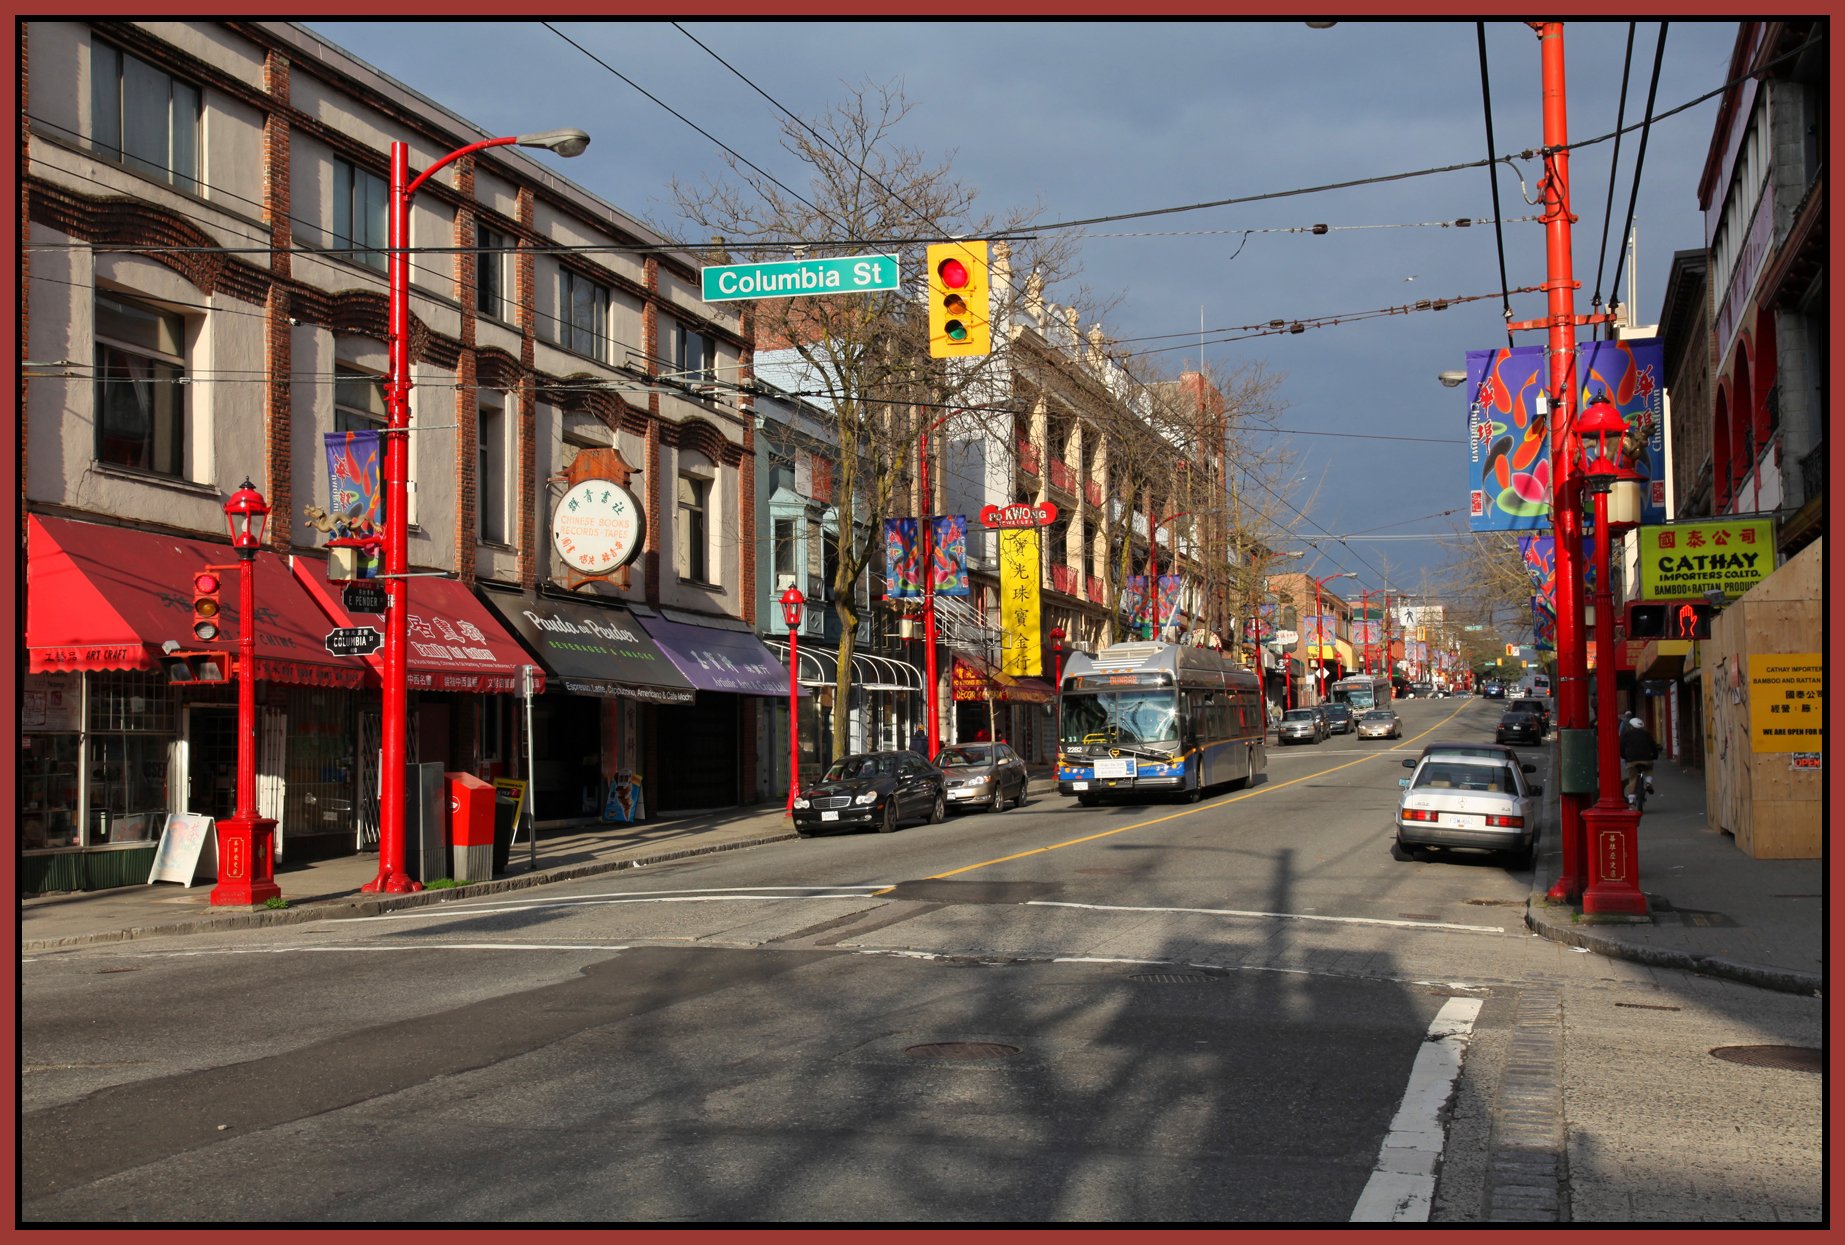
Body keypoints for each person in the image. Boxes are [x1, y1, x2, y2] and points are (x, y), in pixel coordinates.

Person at [1619, 716, 1660, 805]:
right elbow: (1654, 746)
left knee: (1632, 777)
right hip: (1647, 759)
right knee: (1649, 768)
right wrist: (1655, 756)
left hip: (1632, 760)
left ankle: (1631, 799)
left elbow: (1621, 747)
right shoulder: (1647, 734)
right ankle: (1648, 782)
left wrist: (1624, 756)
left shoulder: (1627, 735)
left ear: (1631, 726)